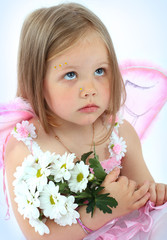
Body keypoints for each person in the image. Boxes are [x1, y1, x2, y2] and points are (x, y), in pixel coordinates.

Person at [2, 2, 167, 240]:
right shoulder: (25, 147)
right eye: (70, 74)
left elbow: (143, 195)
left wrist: (154, 194)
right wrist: (101, 212)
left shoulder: (118, 132)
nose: (90, 89)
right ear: (37, 80)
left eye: (100, 71)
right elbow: (39, 236)